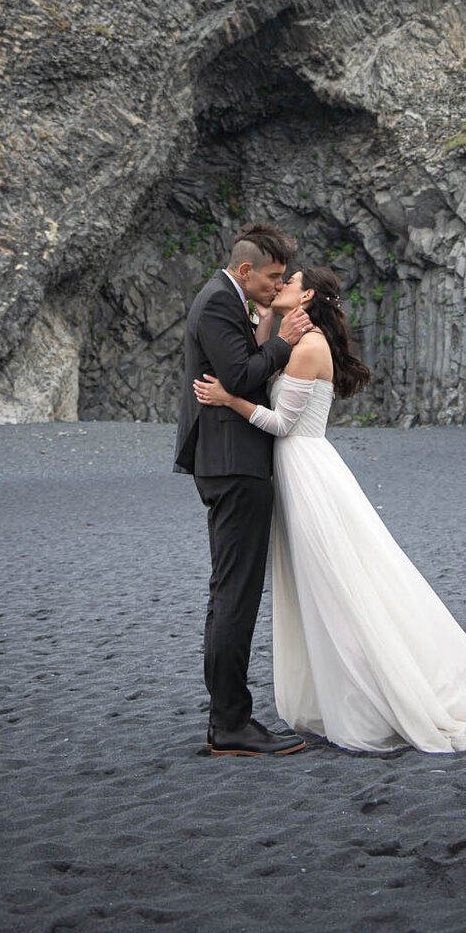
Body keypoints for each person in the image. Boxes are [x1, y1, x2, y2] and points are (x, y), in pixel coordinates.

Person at [194, 266, 466, 755]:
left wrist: (228, 399)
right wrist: (267, 318)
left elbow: (282, 423)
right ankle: (343, 695)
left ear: (307, 295)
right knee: (319, 589)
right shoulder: (297, 340)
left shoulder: (310, 349)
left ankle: (374, 698)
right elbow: (261, 362)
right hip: (298, 472)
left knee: (339, 589)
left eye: (289, 282)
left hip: (307, 472)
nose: (280, 284)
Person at [174, 222, 314, 757]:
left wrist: (270, 325)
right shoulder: (216, 303)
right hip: (233, 465)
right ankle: (230, 723)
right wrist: (284, 343)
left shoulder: (228, 301)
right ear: (245, 270)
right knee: (234, 595)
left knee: (230, 592)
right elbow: (238, 375)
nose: (276, 287)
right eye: (273, 278)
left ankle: (228, 719)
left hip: (230, 462)